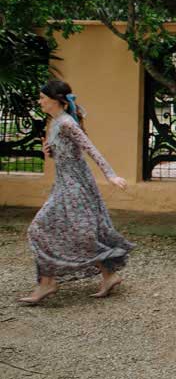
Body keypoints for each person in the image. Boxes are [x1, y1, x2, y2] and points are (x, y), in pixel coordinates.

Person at [18, 80, 133, 305]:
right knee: (81, 231)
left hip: (76, 186)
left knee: (40, 228)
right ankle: (108, 276)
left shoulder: (68, 123)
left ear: (55, 100)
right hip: (63, 184)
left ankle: (47, 283)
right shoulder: (54, 123)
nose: (39, 101)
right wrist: (48, 152)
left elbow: (90, 148)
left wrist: (111, 175)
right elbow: (64, 154)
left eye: (42, 98)